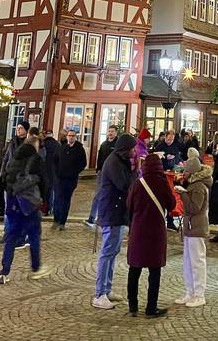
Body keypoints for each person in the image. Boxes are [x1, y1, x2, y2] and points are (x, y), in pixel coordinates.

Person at [126, 153, 176, 318]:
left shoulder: (138, 184)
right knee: (154, 271)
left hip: (139, 231)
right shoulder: (162, 184)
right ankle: (150, 307)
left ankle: (133, 306)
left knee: (134, 269)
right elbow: (172, 204)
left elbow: (129, 205)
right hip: (156, 232)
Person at [92, 133, 136, 310]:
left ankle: (107, 288)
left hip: (117, 212)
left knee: (113, 251)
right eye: (133, 148)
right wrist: (135, 171)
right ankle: (99, 293)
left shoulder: (119, 160)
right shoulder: (113, 162)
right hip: (111, 211)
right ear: (126, 149)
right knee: (107, 252)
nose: (135, 151)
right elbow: (125, 185)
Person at [0, 141, 50, 284]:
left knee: (11, 238)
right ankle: (36, 267)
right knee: (34, 236)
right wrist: (44, 201)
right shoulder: (36, 160)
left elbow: (5, 180)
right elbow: (44, 181)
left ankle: (4, 271)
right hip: (29, 206)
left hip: (13, 204)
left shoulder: (13, 160)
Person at [174, 148, 212, 308]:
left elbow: (194, 208)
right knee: (188, 261)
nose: (184, 174)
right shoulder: (194, 185)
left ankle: (199, 294)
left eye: (186, 172)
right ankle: (190, 292)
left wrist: (183, 194)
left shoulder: (198, 187)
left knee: (197, 261)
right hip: (191, 226)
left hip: (197, 226)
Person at [52, 129, 87, 230]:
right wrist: (56, 172)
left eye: (73, 136)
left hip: (70, 179)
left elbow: (83, 163)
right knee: (57, 199)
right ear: (67, 137)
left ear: (75, 137)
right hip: (59, 178)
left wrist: (74, 172)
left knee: (65, 201)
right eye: (69, 136)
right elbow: (55, 161)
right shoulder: (62, 148)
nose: (71, 137)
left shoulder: (79, 149)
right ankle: (56, 220)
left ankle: (62, 222)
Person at [86, 125, 118, 229]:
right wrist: (98, 169)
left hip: (113, 173)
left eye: (112, 131)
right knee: (98, 195)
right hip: (102, 173)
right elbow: (100, 158)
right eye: (109, 131)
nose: (110, 133)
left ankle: (108, 218)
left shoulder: (117, 145)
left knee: (111, 196)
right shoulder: (104, 144)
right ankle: (92, 217)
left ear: (116, 133)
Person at [152, 130, 180, 230]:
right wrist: (165, 158)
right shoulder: (160, 146)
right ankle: (158, 220)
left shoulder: (175, 146)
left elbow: (178, 158)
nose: (170, 141)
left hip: (171, 175)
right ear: (165, 137)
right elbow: (155, 159)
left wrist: (175, 161)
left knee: (169, 197)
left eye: (172, 140)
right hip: (161, 175)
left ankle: (170, 220)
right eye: (168, 139)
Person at [40, 131, 59, 214]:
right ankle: (51, 207)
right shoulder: (57, 145)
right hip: (54, 170)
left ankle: (44, 208)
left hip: (43, 169)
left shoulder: (42, 144)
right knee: (52, 189)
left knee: (44, 189)